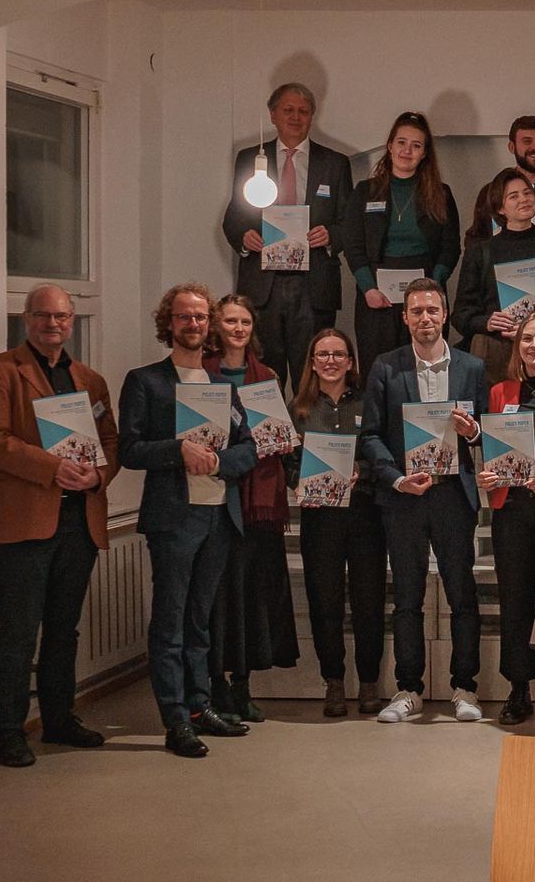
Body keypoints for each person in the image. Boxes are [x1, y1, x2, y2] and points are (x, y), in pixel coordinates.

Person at [0, 285, 119, 766]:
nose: (51, 324)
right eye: (42, 315)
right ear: (26, 318)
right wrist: (51, 468)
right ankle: (10, 731)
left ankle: (59, 720)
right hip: (27, 521)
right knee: (19, 632)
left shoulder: (90, 380)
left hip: (80, 520)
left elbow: (109, 441)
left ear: (72, 321)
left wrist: (98, 473)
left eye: (60, 316)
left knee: (65, 629)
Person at [120, 283, 261, 757]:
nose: (194, 324)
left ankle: (201, 707)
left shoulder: (223, 387)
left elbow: (249, 449)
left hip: (220, 516)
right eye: (185, 317)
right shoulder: (146, 382)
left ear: (211, 324)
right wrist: (177, 451)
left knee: (201, 621)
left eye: (201, 317)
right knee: (170, 621)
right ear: (169, 323)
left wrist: (220, 463)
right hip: (173, 519)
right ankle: (175, 719)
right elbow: (130, 450)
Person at [359, 278, 491, 724]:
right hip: (405, 499)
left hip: (456, 495)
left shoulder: (472, 367)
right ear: (405, 317)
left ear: (445, 313)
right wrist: (396, 480)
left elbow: (487, 431)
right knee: (408, 598)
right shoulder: (385, 367)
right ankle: (408, 688)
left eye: (432, 310)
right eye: (416, 311)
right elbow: (371, 434)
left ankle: (464, 687)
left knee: (462, 595)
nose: (425, 319)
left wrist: (472, 432)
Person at [203, 294, 301, 722]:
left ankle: (241, 686)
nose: (238, 328)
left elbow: (278, 437)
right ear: (215, 326)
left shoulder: (269, 377)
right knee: (217, 598)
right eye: (230, 321)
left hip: (259, 503)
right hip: (212, 497)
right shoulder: (198, 376)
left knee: (251, 597)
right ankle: (213, 687)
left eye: (245, 321)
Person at [221, 83, 353, 389]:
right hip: (263, 286)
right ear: (273, 115)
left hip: (314, 285)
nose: (296, 117)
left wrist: (331, 235)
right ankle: (268, 437)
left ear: (312, 116)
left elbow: (350, 223)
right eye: (288, 110)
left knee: (315, 376)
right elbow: (234, 219)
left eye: (303, 111)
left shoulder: (335, 163)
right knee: (264, 377)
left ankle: (311, 437)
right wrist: (245, 237)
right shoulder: (249, 159)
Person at [287, 327, 388, 718]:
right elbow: (289, 463)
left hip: (365, 515)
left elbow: (381, 451)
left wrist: (359, 470)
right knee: (325, 603)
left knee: (368, 602)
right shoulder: (298, 408)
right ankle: (333, 681)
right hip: (319, 520)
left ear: (350, 361)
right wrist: (300, 480)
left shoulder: (368, 402)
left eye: (338, 354)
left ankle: (367, 683)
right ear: (312, 362)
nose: (330, 361)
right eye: (322, 355)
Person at [478, 312, 535, 725]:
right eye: (527, 340)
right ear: (518, 346)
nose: (534, 346)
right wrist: (487, 472)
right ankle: (519, 689)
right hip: (511, 506)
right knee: (516, 599)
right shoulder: (500, 391)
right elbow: (494, 447)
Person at [342, 111, 462, 375]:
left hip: (426, 295)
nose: (407, 150)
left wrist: (434, 287)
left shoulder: (441, 194)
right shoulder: (365, 191)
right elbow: (353, 246)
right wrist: (368, 289)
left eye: (416, 145)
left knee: (425, 371)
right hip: (376, 296)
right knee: (380, 372)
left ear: (424, 153)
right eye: (402, 142)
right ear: (390, 146)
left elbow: (450, 247)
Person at [453, 167, 535, 375]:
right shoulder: (480, 252)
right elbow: (461, 314)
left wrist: (534, 332)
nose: (524, 199)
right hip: (496, 349)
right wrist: (487, 322)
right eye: (514, 196)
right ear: (500, 208)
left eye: (527, 193)